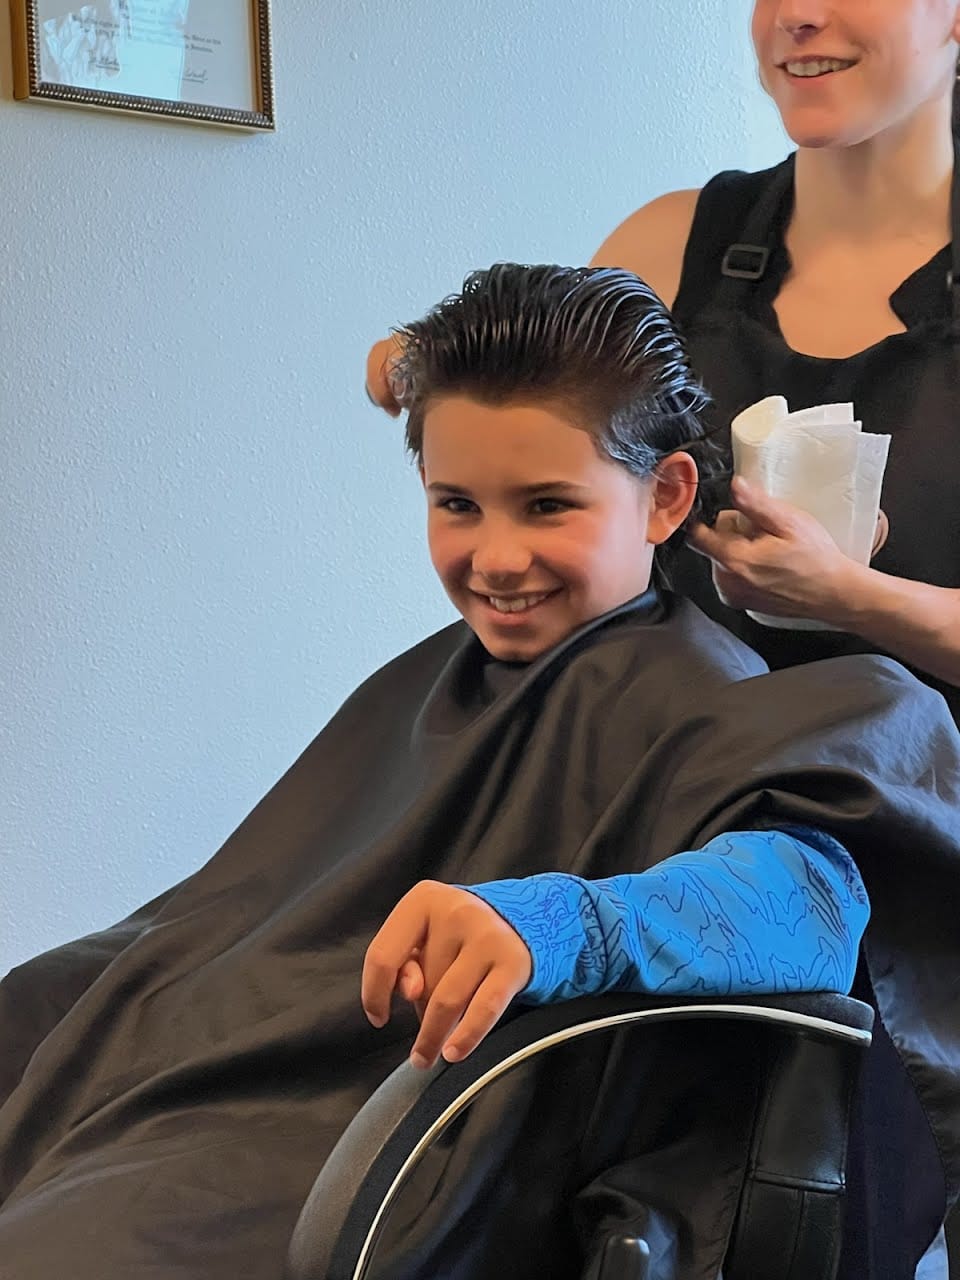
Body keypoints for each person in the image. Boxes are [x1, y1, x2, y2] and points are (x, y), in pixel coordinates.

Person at [2, 265, 959, 1280]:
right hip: (226, 1087)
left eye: (547, 504)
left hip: (409, 1151)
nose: (497, 558)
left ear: (666, 495)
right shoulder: (436, 680)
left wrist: (559, 924)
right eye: (457, 503)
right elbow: (259, 914)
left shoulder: (704, 695)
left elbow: (810, 903)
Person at [366, 2, 960, 730]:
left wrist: (851, 598)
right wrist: (440, 360)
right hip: (672, 788)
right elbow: (550, 416)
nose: (799, 14)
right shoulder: (669, 244)